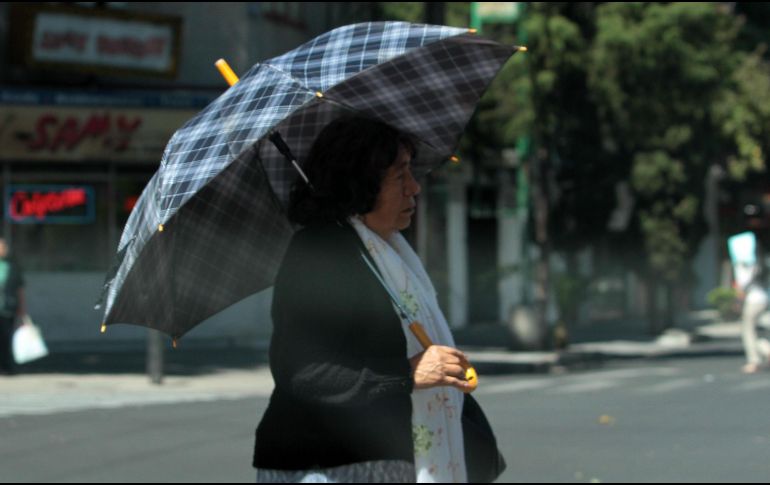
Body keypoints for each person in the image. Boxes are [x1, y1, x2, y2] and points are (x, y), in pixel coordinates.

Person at [252, 116, 502, 483]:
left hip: (381, 460)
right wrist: (408, 373)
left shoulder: (384, 254)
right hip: (326, 466)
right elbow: (305, 373)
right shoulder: (321, 252)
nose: (414, 187)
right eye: (400, 176)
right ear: (359, 184)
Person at [735, 247, 770, 374]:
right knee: (756, 330)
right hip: (764, 298)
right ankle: (766, 349)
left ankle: (754, 361)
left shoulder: (750, 265)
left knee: (748, 331)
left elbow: (744, 284)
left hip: (753, 300)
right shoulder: (765, 264)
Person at [0, 236, 26, 376]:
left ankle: (7, 366)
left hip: (7, 308)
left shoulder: (12, 267)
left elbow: (19, 289)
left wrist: (22, 309)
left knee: (6, 338)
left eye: (4, 247)